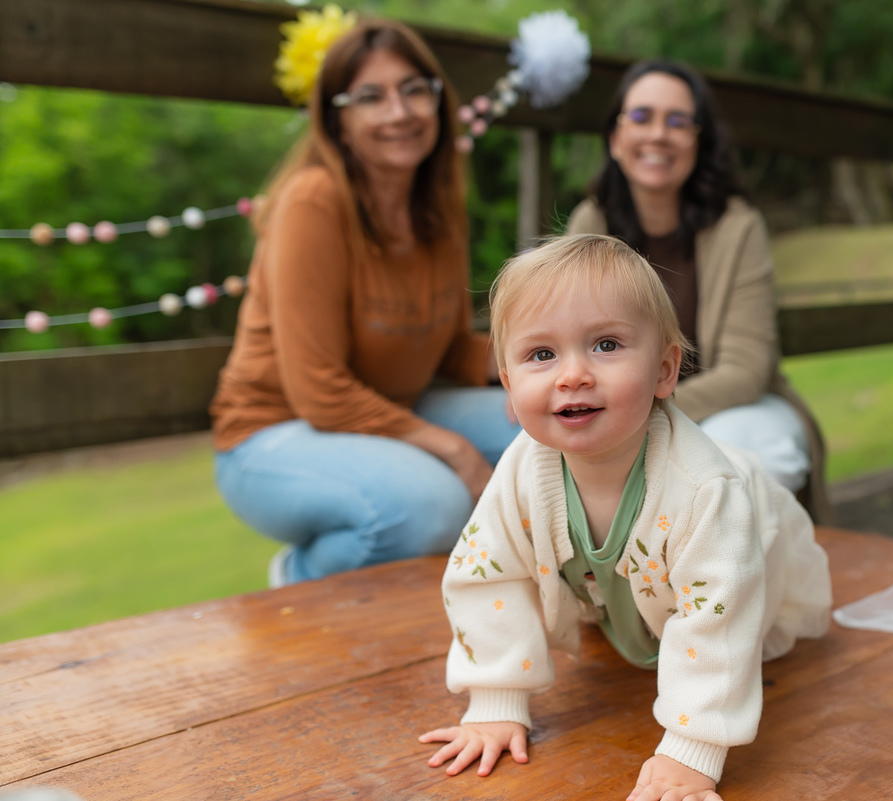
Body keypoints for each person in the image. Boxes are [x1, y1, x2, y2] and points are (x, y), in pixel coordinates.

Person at [418, 235, 831, 800]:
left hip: (749, 546)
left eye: (606, 344)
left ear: (665, 371)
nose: (572, 375)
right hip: (632, 584)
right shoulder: (521, 474)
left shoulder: (704, 491)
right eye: (541, 355)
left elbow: (720, 612)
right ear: (509, 387)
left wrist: (693, 749)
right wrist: (495, 700)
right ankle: (629, 617)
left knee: (725, 620)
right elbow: (488, 573)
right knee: (611, 591)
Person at [209, 21, 521, 586]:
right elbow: (319, 390)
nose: (399, 113)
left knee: (555, 430)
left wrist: (540, 367)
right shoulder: (313, 201)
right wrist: (453, 449)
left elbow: (449, 348)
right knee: (431, 505)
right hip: (272, 432)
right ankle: (300, 578)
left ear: (438, 101)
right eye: (370, 97)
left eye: (414, 90)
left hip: (389, 409)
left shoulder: (439, 205)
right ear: (339, 122)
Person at [565, 59, 830, 521]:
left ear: (698, 140)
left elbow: (746, 370)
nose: (658, 134)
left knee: (751, 455)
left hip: (724, 406)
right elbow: (567, 340)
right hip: (616, 411)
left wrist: (643, 416)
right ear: (615, 138)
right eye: (642, 117)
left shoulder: (737, 226)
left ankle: (730, 584)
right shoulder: (590, 223)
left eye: (678, 121)